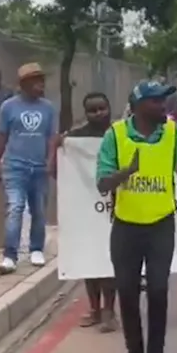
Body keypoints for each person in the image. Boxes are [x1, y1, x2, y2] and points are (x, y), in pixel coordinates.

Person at [96, 80, 177, 353]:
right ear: (139, 105)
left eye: (164, 101)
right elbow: (102, 184)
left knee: (158, 291)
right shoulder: (116, 135)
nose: (163, 106)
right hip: (126, 226)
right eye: (156, 102)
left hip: (161, 224)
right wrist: (128, 171)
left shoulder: (173, 133)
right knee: (126, 292)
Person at [0, 63, 57, 275]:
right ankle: (10, 255)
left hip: (39, 168)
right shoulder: (8, 107)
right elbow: (1, 136)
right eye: (36, 81)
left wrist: (50, 161)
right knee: (15, 208)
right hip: (14, 166)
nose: (41, 85)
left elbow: (52, 137)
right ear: (24, 84)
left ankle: (36, 248)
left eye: (42, 80)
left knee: (38, 210)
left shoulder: (48, 108)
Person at [60, 92, 117, 332]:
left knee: (108, 262)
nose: (97, 113)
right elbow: (58, 170)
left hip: (114, 208)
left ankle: (109, 312)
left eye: (101, 108)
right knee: (88, 261)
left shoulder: (119, 133)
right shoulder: (75, 137)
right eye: (92, 110)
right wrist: (57, 145)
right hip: (86, 209)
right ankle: (94, 309)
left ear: (109, 108)